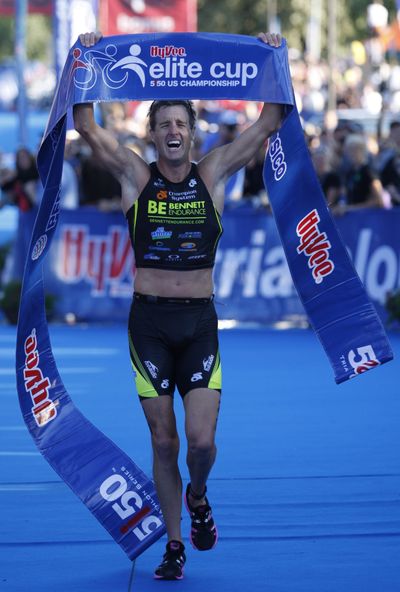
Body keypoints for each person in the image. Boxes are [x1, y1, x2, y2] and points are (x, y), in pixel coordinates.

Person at [74, 30, 283, 581]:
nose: (172, 132)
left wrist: (272, 56)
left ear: (192, 134)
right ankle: (173, 544)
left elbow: (268, 122)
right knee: (163, 440)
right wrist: (86, 59)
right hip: (148, 325)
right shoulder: (135, 177)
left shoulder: (210, 174)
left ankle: (199, 494)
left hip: (199, 324)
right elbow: (86, 127)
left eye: (181, 125)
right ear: (153, 133)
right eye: (163, 124)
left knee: (200, 441)